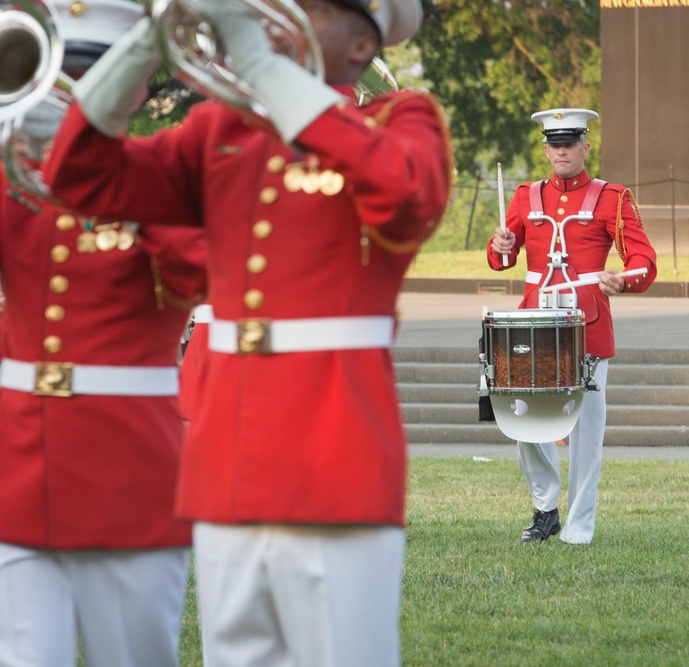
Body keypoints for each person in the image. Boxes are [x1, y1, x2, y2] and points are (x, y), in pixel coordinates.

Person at [43, 0, 451, 664]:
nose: (273, 16)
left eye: (310, 8)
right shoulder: (218, 130)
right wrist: (145, 47)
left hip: (334, 457)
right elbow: (79, 173)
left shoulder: (396, 120)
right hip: (226, 461)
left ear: (360, 44)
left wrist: (265, 70)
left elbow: (406, 194)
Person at [0, 1, 208, 665]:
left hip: (129, 476)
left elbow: (201, 270)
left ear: (137, 84)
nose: (73, 89)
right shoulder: (15, 179)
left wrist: (112, 180)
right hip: (19, 471)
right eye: (64, 70)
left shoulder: (165, 174)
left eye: (94, 71)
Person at [487, 108, 658, 545]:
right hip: (532, 324)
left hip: (586, 326)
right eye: (554, 145)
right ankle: (545, 509)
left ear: (585, 146)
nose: (561, 151)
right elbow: (503, 258)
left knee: (586, 430)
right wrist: (501, 243)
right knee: (525, 419)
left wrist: (625, 277)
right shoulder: (526, 195)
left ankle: (580, 526)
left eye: (570, 143)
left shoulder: (612, 197)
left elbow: (644, 260)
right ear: (545, 149)